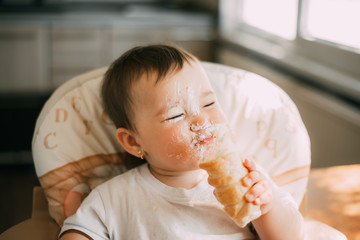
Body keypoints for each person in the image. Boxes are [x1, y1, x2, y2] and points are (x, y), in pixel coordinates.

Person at [59, 44, 304, 240]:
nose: (201, 119)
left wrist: (267, 208)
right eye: (175, 115)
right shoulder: (114, 198)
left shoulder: (251, 180)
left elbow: (292, 237)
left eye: (209, 104)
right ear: (133, 142)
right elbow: (78, 233)